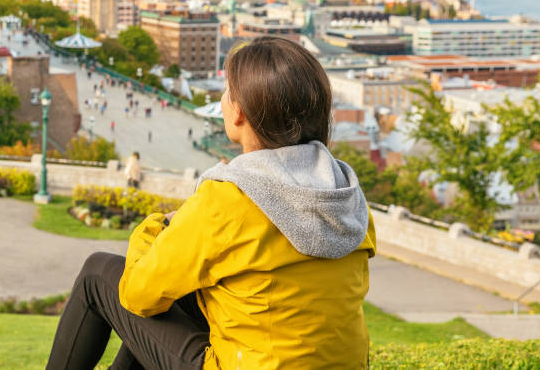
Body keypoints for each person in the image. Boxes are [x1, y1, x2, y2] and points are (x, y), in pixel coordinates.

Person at [46, 36, 375, 369]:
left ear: (240, 113)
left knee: (97, 272)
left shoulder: (228, 201)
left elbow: (137, 295)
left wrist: (160, 226)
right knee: (187, 292)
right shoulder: (345, 196)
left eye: (228, 91)